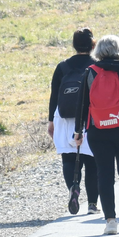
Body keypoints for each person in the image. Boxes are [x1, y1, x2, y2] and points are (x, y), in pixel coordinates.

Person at [73, 35, 119, 235]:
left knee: (104, 174)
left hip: (98, 129)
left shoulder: (90, 73)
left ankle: (110, 222)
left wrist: (78, 131)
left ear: (98, 51)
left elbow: (82, 103)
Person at [48, 27, 99, 215]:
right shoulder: (96, 66)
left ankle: (73, 188)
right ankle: (93, 203)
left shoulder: (62, 67)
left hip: (64, 117)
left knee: (69, 159)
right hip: (90, 118)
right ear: (93, 44)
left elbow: (54, 96)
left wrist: (50, 121)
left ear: (74, 45)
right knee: (92, 162)